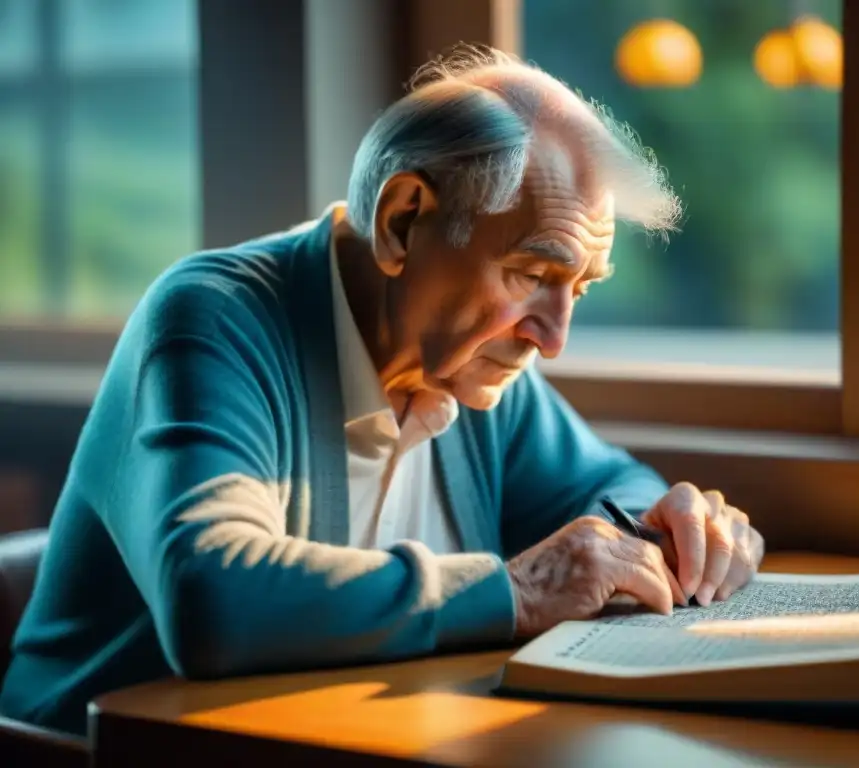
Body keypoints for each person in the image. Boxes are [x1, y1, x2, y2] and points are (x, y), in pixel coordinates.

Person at [0, 46, 764, 736]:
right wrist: (517, 591)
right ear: (403, 223)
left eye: (580, 289)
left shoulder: (471, 365)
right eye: (532, 275)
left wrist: (675, 525)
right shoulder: (212, 320)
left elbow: (607, 488)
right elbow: (215, 602)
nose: (553, 337)